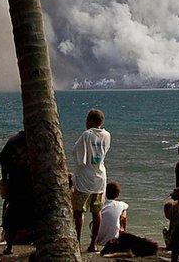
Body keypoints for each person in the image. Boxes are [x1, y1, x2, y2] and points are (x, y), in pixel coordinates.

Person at [72, 108, 111, 252]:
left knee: (78, 212)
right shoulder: (107, 135)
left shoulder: (87, 135)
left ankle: (76, 241)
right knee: (97, 212)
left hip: (85, 179)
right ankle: (93, 244)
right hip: (100, 178)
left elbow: (79, 157)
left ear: (90, 121)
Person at [0, 129, 32, 254]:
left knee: (12, 215)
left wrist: (5, 179)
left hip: (15, 184)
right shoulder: (36, 140)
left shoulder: (13, 141)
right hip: (33, 184)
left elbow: (3, 163)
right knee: (35, 214)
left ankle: (9, 246)